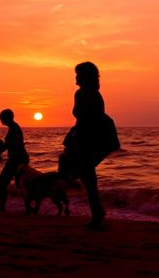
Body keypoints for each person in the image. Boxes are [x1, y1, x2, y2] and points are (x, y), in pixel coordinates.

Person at [61, 62, 106, 227]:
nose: (76, 77)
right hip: (91, 138)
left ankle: (97, 215)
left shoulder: (81, 94)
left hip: (84, 139)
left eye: (78, 74)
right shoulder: (96, 94)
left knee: (87, 178)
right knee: (88, 178)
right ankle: (97, 213)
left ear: (85, 77)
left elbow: (81, 116)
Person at [0, 109, 29, 211]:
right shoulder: (13, 128)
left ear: (7, 118)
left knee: (2, 182)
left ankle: (2, 207)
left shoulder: (14, 129)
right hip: (19, 159)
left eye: (1, 118)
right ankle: (27, 207)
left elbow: (11, 145)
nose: (1, 120)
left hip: (17, 160)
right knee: (20, 184)